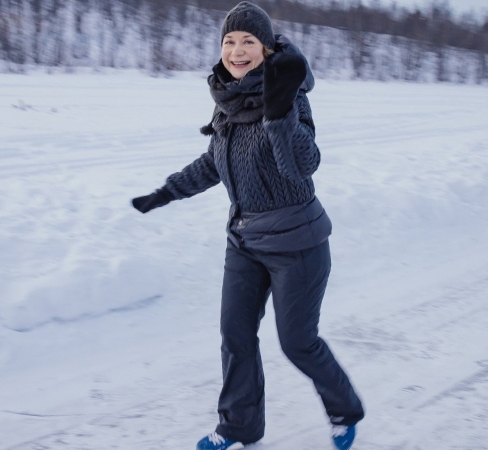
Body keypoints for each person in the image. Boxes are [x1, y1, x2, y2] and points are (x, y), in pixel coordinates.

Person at [130, 2, 364, 449]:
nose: (237, 51)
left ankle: (344, 408)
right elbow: (216, 162)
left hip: (297, 242)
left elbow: (303, 165)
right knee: (235, 336)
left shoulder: (288, 93)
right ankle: (238, 425)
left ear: (266, 47)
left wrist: (278, 116)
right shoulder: (228, 101)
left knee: (297, 343)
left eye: (247, 42)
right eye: (229, 41)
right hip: (243, 240)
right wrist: (167, 191)